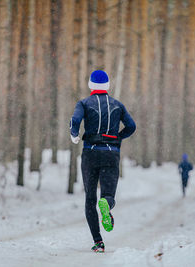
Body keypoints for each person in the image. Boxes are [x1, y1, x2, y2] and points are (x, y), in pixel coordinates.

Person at [70, 70, 136, 253]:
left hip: (90, 153)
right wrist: (118, 138)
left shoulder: (83, 103)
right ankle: (107, 203)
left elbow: (74, 120)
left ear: (91, 85)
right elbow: (131, 126)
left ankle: (98, 242)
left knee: (90, 198)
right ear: (107, 86)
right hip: (110, 153)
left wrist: (74, 135)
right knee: (107, 195)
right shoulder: (118, 105)